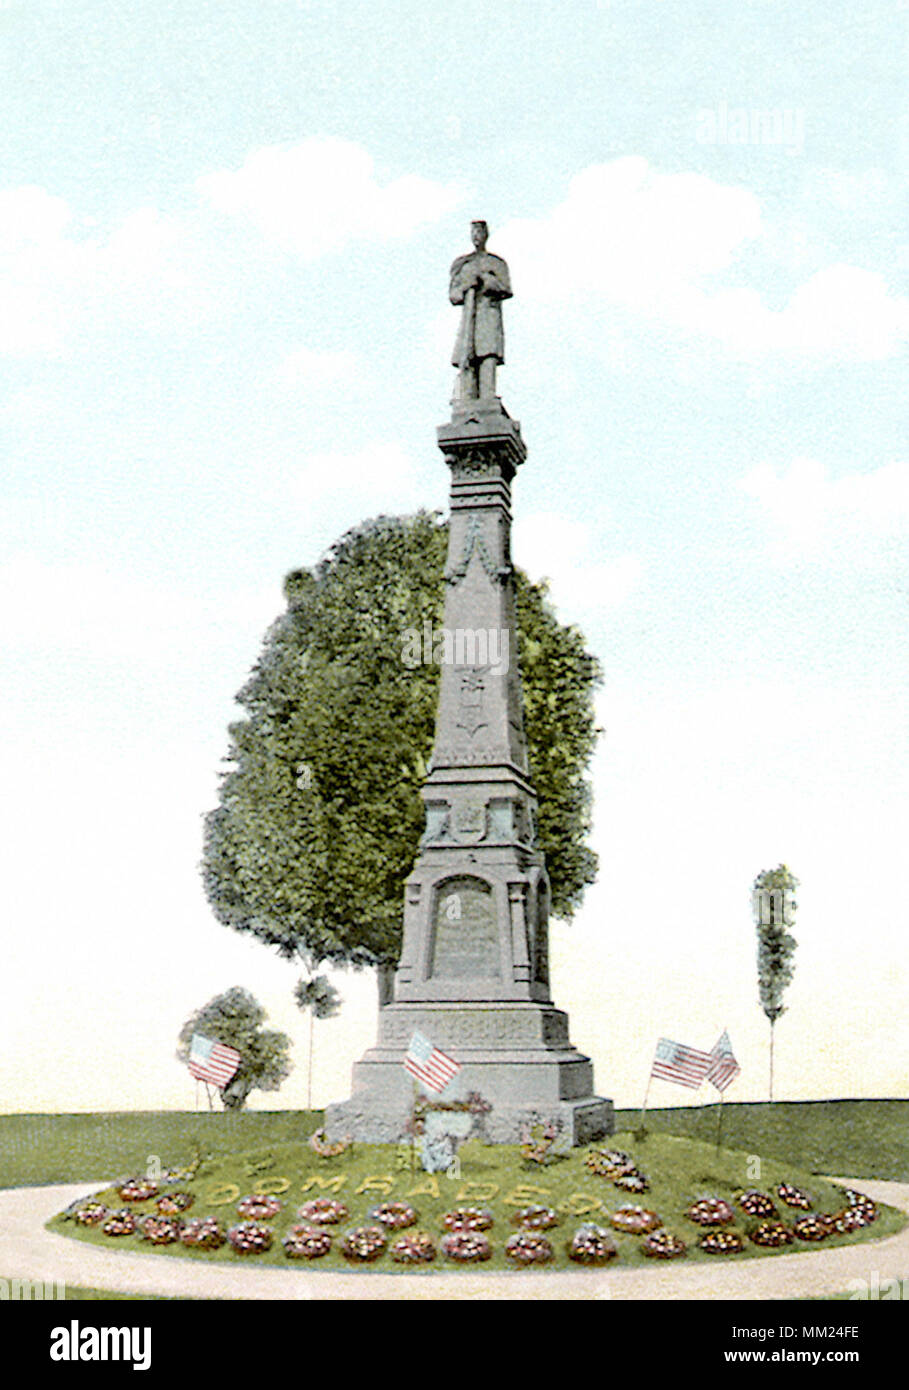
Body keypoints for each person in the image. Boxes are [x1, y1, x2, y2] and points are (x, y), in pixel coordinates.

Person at [450, 220, 512, 402]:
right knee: (467, 358)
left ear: (486, 235)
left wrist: (488, 281)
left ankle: (487, 398)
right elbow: (454, 295)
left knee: (487, 355)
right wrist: (465, 287)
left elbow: (506, 288)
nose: (477, 237)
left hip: (488, 315)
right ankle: (467, 399)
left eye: (480, 232)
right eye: (474, 233)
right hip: (469, 319)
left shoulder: (495, 263)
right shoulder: (463, 264)